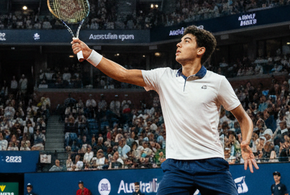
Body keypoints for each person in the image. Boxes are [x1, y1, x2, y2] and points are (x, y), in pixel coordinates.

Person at [72, 25, 258, 195]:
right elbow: (123, 74)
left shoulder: (217, 82)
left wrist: (245, 142)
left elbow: (243, 118)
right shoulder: (163, 77)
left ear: (200, 50)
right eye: (180, 40)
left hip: (212, 164)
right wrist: (90, 54)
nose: (179, 44)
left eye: (186, 41)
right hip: (177, 167)